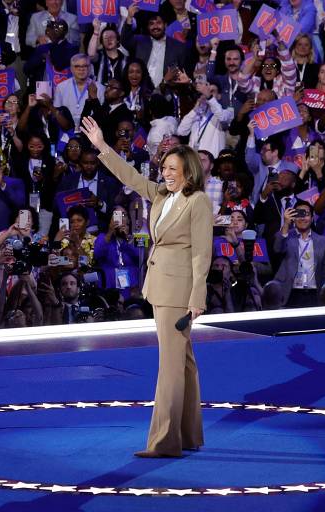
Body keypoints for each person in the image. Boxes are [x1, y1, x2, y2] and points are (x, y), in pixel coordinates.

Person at [81, 116, 212, 458]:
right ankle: (188, 434)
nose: (166, 173)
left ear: (189, 172)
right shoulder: (161, 195)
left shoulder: (197, 202)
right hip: (161, 287)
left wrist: (197, 297)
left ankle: (165, 441)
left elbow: (202, 254)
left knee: (169, 366)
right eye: (164, 166)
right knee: (182, 361)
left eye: (173, 168)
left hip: (179, 292)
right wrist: (102, 147)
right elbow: (131, 176)